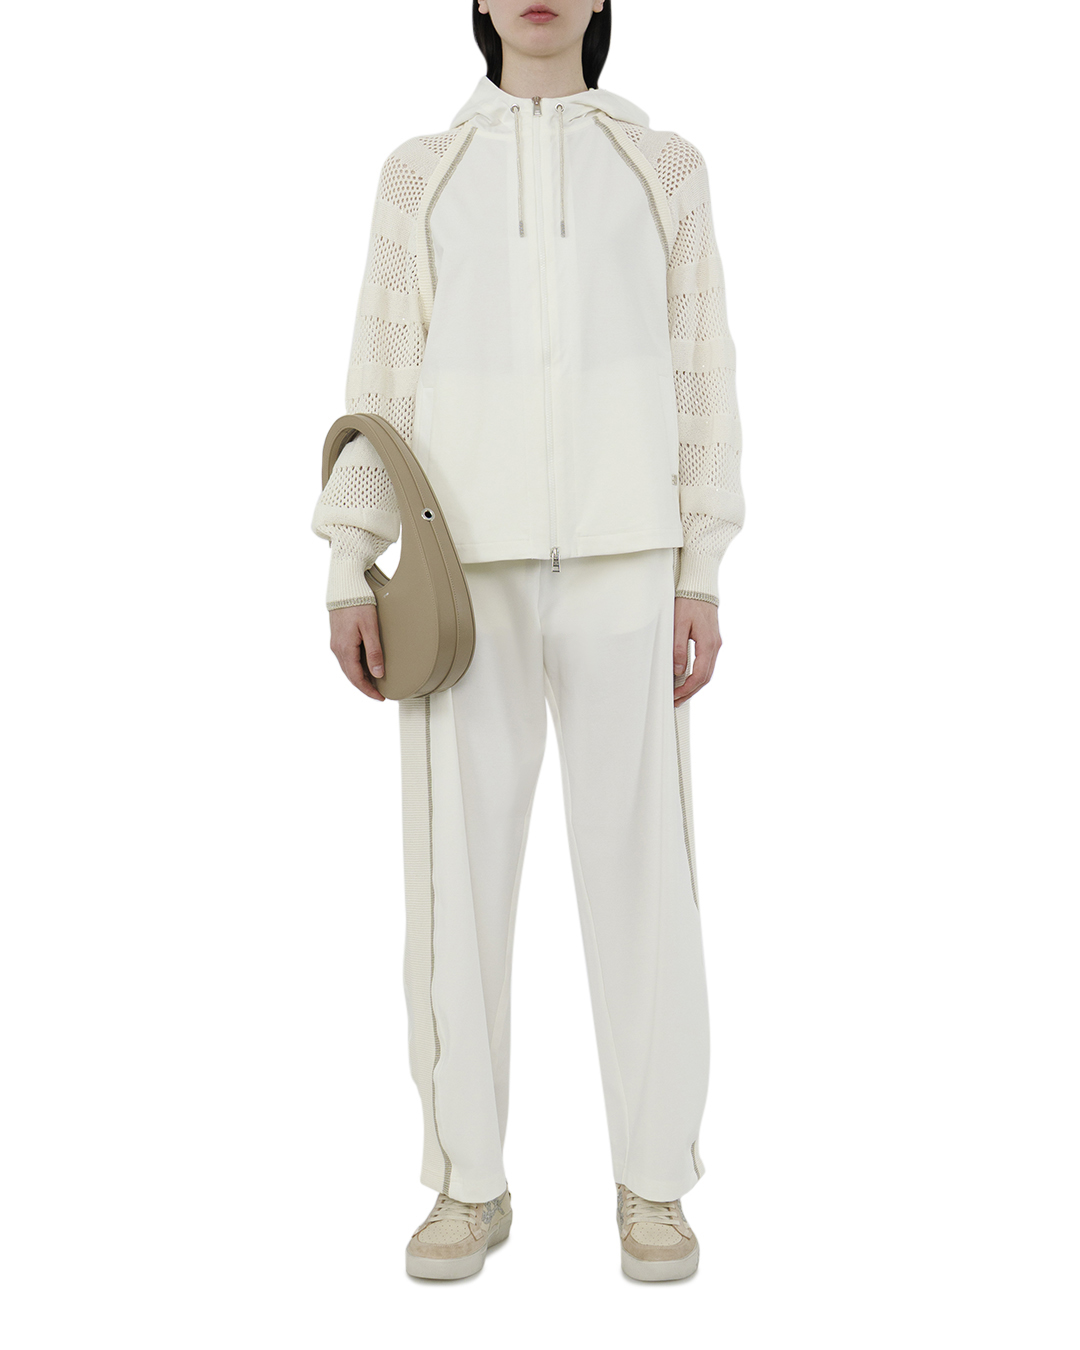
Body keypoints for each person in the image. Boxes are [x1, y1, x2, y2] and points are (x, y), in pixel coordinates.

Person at [311, 0, 744, 1282]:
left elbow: (701, 368)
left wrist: (701, 565)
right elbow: (381, 373)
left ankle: (653, 1185)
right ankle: (468, 1184)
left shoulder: (663, 166)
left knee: (644, 880)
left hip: (630, 560)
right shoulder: (421, 172)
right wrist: (350, 557)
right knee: (455, 885)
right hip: (463, 572)